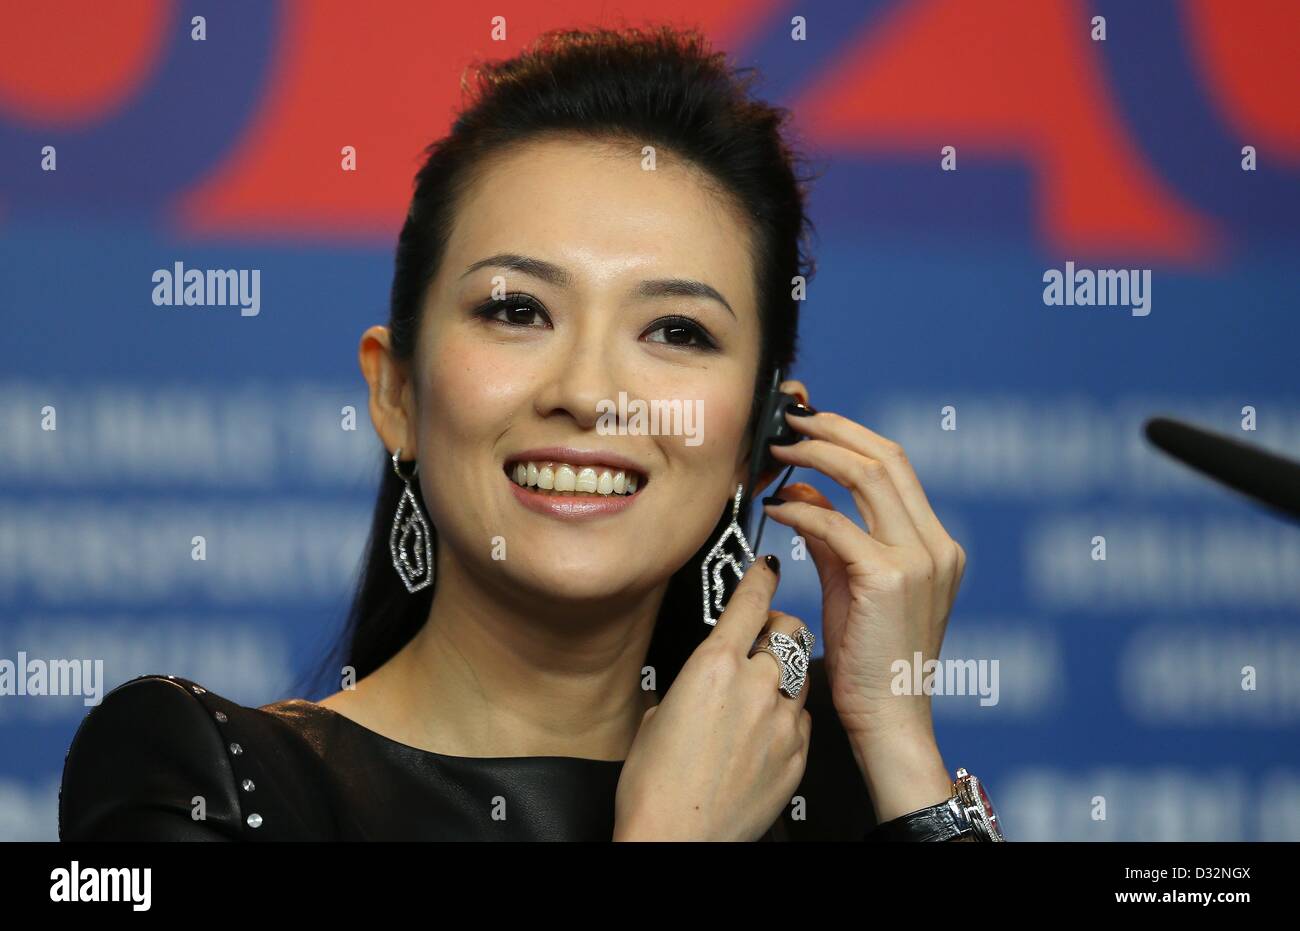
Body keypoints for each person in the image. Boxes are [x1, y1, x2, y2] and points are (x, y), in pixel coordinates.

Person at [59, 24, 990, 842]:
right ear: (398, 394)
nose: (589, 394)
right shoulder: (203, 780)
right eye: (517, 310)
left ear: (759, 437)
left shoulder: (829, 774)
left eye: (676, 331)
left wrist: (896, 740)